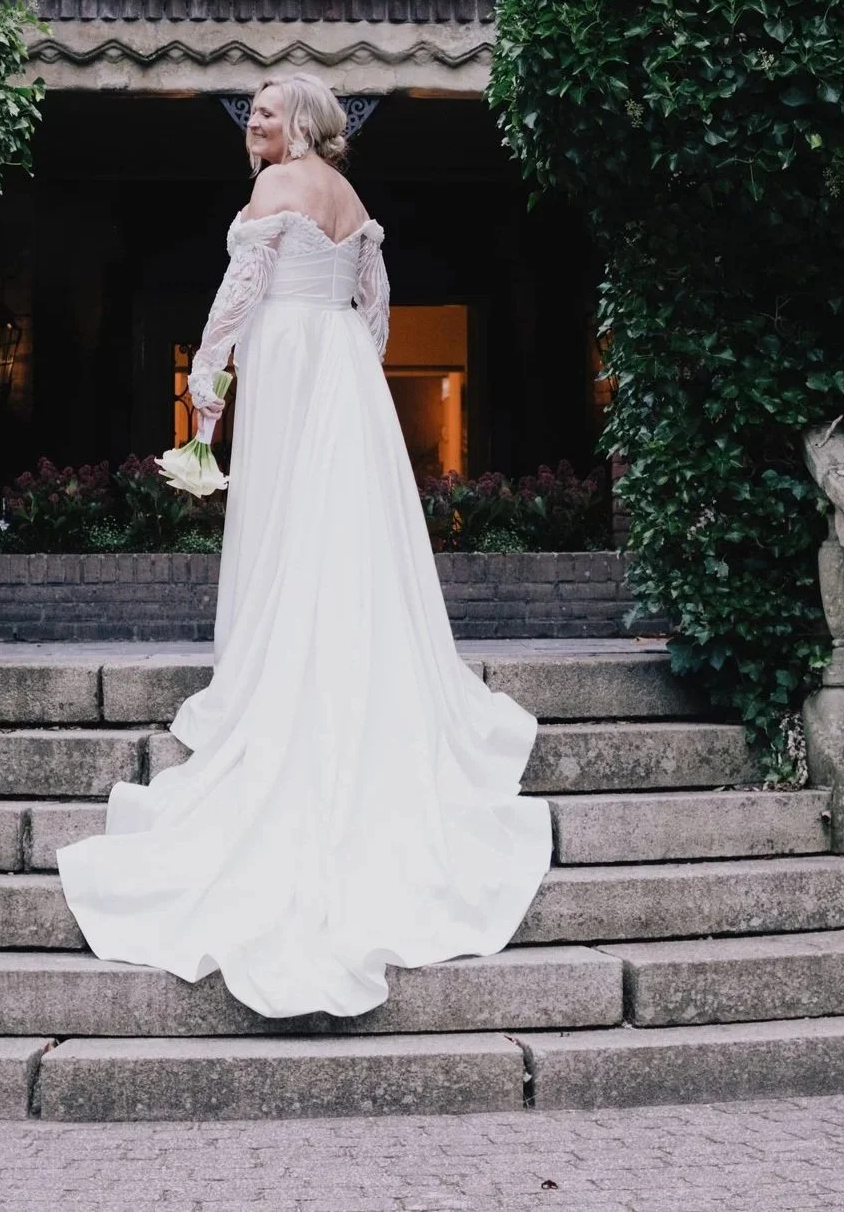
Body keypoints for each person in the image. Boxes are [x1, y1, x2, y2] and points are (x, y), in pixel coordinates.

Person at [56, 75, 551, 1018]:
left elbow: (240, 289)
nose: (256, 123)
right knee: (344, 529)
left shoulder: (276, 189)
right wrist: (352, 375)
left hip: (287, 353)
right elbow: (377, 305)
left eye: (270, 113)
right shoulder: (353, 201)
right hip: (338, 368)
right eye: (251, 113)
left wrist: (205, 382)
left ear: (307, 127)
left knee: (285, 530)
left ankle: (279, 676)